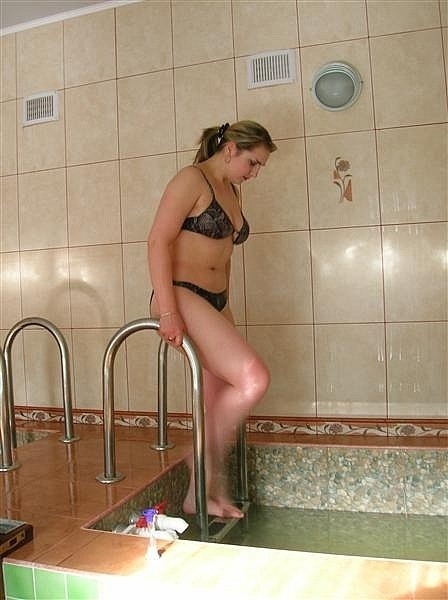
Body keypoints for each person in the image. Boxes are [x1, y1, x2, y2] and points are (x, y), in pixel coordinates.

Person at [148, 120, 277, 519]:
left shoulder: (232, 190)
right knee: (254, 378)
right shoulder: (192, 179)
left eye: (259, 167)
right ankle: (196, 460)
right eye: (252, 163)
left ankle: (201, 495)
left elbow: (225, 255)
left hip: (216, 304)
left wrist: (224, 307)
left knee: (215, 400)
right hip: (181, 295)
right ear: (231, 148)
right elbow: (157, 241)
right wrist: (168, 310)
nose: (254, 173)